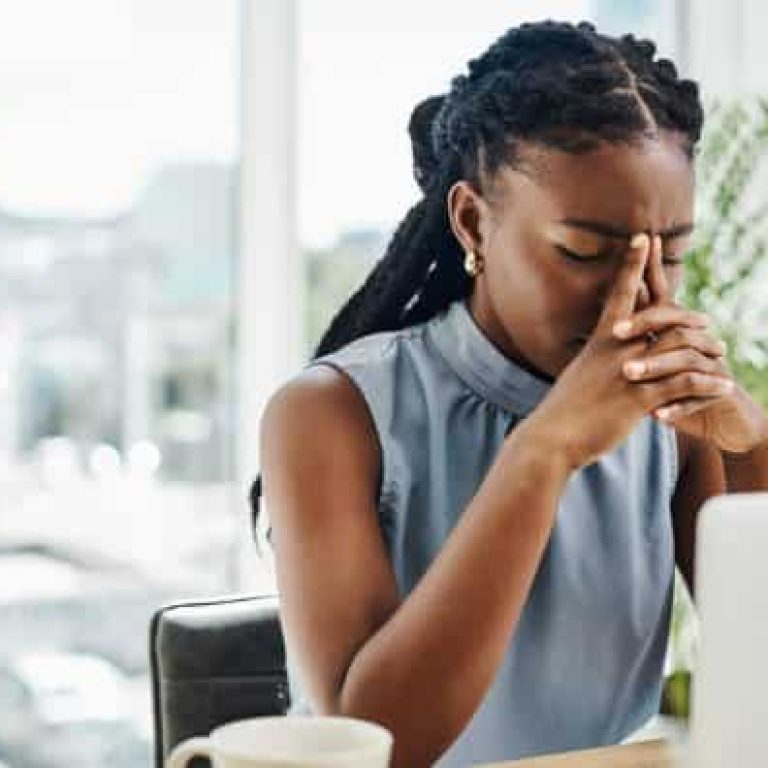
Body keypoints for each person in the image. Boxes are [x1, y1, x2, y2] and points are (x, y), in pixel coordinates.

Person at [256, 19, 768, 768]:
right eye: (584, 253)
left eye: (674, 256)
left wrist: (752, 448)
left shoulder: (674, 422)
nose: (641, 297)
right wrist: (545, 450)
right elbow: (381, 746)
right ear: (474, 222)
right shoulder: (331, 414)